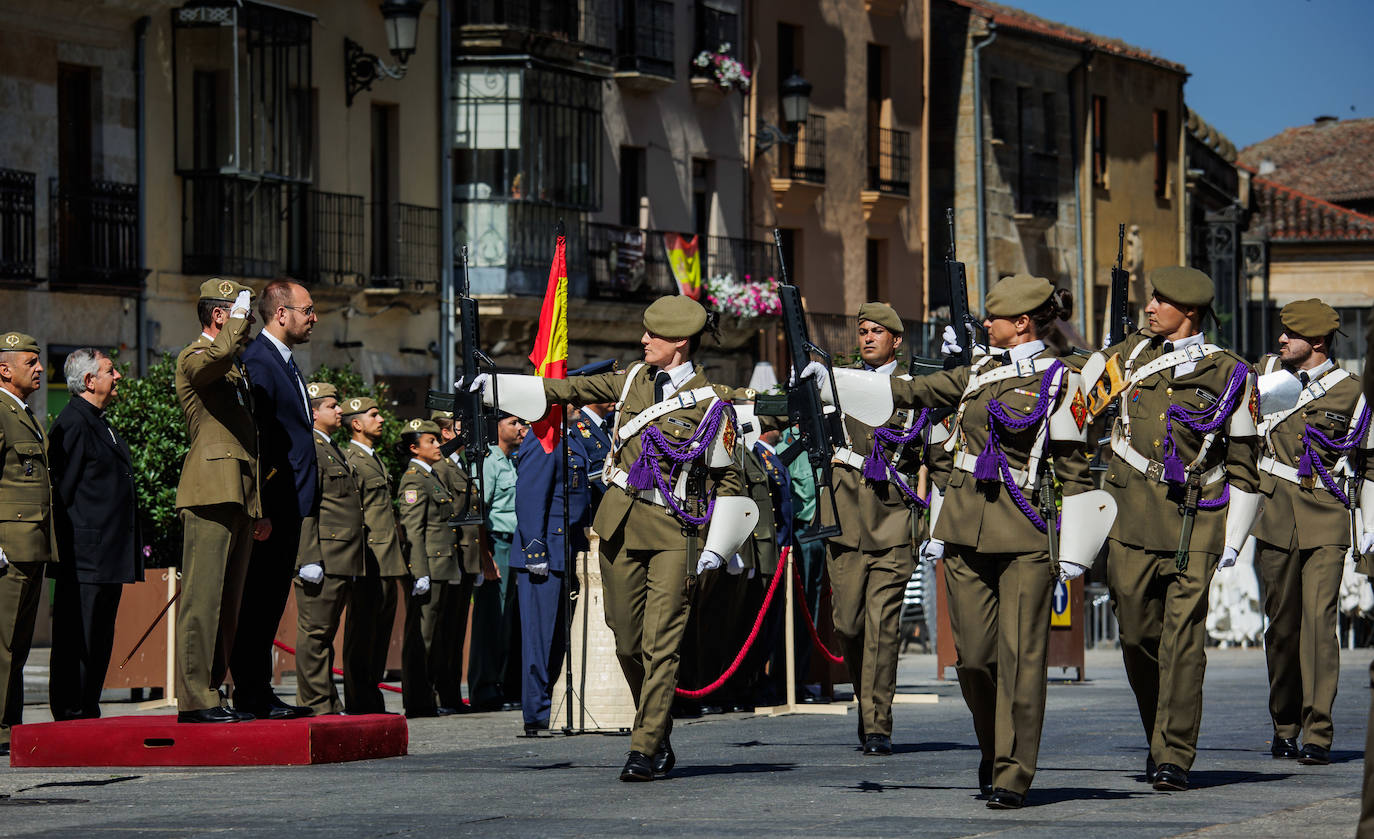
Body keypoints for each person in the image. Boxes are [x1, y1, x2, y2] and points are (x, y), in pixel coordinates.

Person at [471, 294, 758, 782]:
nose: (643, 341)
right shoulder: (630, 380)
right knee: (626, 640)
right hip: (620, 524)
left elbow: (729, 480)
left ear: (681, 344)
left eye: (654, 336)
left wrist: (720, 545)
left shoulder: (715, 404)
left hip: (676, 530)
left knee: (661, 642)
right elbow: (564, 388)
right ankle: (659, 727)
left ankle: (643, 748)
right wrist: (497, 387)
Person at [1092, 266, 1261, 792]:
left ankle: (1174, 755)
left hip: (1196, 519)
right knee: (1137, 635)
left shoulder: (1230, 373)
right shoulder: (1126, 360)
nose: (1149, 308)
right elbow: (1083, 408)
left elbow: (1244, 462)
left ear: (1188, 312)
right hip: (1130, 519)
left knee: (1183, 642)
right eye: (1148, 299)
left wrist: (1233, 539)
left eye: (1159, 301)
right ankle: (1158, 734)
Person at [1252, 300, 1371, 766]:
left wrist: (1368, 530)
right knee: (1281, 627)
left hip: (1325, 512)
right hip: (1274, 511)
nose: (1281, 340)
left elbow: (1369, 463)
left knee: (1320, 625)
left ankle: (1318, 730)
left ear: (1317, 343)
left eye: (1291, 334)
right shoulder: (1264, 373)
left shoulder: (1353, 393)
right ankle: (1285, 724)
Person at [815, 302, 928, 757]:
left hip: (893, 518)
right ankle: (868, 702)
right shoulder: (838, 384)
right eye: (862, 331)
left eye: (877, 332)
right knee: (848, 622)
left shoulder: (915, 387)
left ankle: (878, 723)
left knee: (884, 624)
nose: (867, 338)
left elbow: (932, 456)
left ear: (895, 340)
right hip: (844, 519)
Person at [172, 281, 262, 724]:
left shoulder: (233, 366)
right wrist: (237, 326)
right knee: (202, 600)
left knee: (228, 602)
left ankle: (211, 689)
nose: (249, 325)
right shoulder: (195, 356)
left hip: (238, 490)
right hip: (210, 489)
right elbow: (215, 359)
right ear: (220, 316)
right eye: (239, 314)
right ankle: (194, 698)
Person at [231, 279, 317, 720]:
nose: (313, 318)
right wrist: (260, 505)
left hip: (290, 502)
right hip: (273, 504)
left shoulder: (282, 360)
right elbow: (258, 438)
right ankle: (250, 693)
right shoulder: (260, 362)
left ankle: (257, 691)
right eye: (307, 310)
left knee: (269, 604)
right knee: (258, 602)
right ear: (281, 313)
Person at [48, 347, 144, 721]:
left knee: (99, 637)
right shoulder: (73, 423)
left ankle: (87, 708)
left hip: (105, 555)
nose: (117, 376)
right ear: (89, 381)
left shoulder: (100, 421)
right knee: (79, 638)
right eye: (110, 370)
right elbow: (62, 494)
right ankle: (71, 711)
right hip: (84, 556)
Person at [511, 363, 606, 735]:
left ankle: (549, 706)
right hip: (544, 553)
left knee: (558, 637)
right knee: (540, 638)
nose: (578, 400)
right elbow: (530, 496)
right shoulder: (542, 437)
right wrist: (535, 550)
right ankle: (536, 713)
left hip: (567, 548)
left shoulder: (572, 438)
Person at [291, 382, 365, 715]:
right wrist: (308, 557)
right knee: (316, 633)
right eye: (332, 406)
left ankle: (327, 701)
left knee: (326, 633)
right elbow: (306, 504)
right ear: (313, 412)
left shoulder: (329, 446)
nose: (339, 411)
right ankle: (315, 702)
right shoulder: (310, 447)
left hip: (341, 557)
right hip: (323, 556)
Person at [0, 331, 56, 750]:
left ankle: (10, 726)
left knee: (17, 645)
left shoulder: (27, 415)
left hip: (31, 544)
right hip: (8, 547)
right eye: (30, 362)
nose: (39, 369)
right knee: (2, 644)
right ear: (5, 370)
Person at [396, 418, 466, 718]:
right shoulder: (414, 478)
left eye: (438, 440)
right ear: (415, 448)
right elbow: (414, 529)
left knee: (434, 635)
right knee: (421, 636)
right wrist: (419, 571)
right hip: (430, 566)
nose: (438, 445)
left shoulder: (431, 476)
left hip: (443, 565)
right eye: (431, 441)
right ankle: (417, 700)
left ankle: (427, 698)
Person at [341, 396, 405, 714]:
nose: (380, 419)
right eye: (373, 415)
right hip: (369, 558)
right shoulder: (350, 458)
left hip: (386, 558)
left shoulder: (372, 457)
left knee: (379, 634)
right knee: (361, 632)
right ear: (356, 423)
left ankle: (371, 696)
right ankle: (358, 700)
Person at [469, 413, 526, 711]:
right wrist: (484, 555)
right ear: (498, 426)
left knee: (508, 619)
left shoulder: (512, 460)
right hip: (496, 543)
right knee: (492, 617)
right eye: (514, 423)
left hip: (513, 542)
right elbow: (479, 509)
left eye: (522, 423)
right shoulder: (489, 460)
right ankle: (484, 688)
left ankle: (502, 684)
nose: (521, 428)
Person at [431, 411, 481, 709]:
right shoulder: (442, 469)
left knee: (455, 630)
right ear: (447, 434)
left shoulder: (462, 465)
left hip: (465, 559)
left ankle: (450, 693)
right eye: (461, 428)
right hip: (450, 557)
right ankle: (440, 691)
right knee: (442, 629)